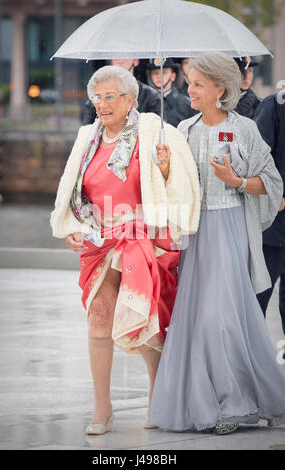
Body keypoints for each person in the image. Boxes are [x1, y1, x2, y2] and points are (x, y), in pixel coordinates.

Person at [50, 65, 200, 435]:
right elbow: (72, 192)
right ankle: (103, 408)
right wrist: (72, 227)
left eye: (109, 96)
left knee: (145, 317)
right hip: (99, 238)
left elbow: (180, 186)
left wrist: (164, 169)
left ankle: (156, 395)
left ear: (130, 98)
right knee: (99, 315)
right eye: (96, 97)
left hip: (142, 238)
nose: (101, 104)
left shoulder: (155, 132)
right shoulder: (88, 137)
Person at [148, 52, 285, 435]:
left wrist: (235, 180)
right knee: (194, 319)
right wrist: (165, 168)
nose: (188, 89)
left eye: (197, 84)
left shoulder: (245, 129)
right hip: (195, 233)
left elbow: (271, 183)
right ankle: (212, 400)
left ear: (220, 89)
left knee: (220, 318)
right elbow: (178, 185)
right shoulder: (184, 129)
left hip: (229, 228)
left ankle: (237, 402)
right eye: (189, 82)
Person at [255, 93, 285, 345]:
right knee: (259, 296)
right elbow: (258, 155)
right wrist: (277, 193)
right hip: (273, 224)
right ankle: (252, 356)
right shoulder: (275, 105)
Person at [80, 59, 161, 124]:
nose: (120, 61)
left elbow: (155, 130)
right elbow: (87, 130)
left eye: (125, 56)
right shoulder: (97, 96)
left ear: (136, 61)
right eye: (116, 56)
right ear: (111, 61)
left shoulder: (151, 96)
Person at [146, 58, 197, 128]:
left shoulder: (187, 104)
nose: (159, 76)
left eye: (164, 72)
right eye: (155, 72)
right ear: (150, 76)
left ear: (173, 76)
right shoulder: (144, 101)